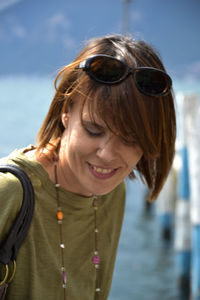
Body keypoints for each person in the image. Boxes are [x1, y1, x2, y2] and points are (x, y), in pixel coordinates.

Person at [0, 34, 176, 300]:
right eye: (93, 129)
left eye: (130, 139)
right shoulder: (9, 192)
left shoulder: (111, 191)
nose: (107, 154)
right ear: (66, 111)